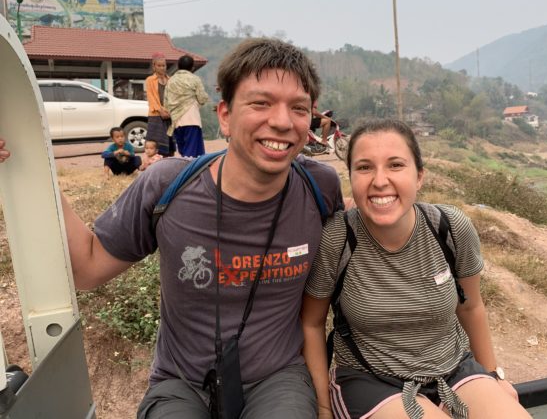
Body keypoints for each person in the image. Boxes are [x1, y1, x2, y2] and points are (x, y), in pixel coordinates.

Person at [0, 38, 343, 419]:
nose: (281, 121)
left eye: (297, 108)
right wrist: (30, 163)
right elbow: (88, 266)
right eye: (261, 103)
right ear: (225, 115)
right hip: (182, 382)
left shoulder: (320, 188)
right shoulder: (169, 186)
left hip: (277, 379)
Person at [301, 119, 530, 419]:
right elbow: (312, 323)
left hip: (453, 369)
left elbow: (471, 306)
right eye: (365, 167)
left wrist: (493, 376)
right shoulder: (338, 238)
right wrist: (322, 407)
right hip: (370, 380)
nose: (380, 180)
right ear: (351, 177)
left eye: (395, 165)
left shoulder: (449, 228)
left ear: (419, 176)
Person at [165, 54, 209, 157]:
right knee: (193, 154)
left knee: (183, 151)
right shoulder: (194, 79)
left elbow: (166, 102)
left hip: (176, 121)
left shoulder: (171, 80)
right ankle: (192, 172)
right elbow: (202, 98)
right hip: (191, 119)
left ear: (178, 66)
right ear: (192, 67)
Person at [145, 52, 176, 157]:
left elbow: (174, 97)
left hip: (169, 115)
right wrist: (160, 110)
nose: (162, 68)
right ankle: (154, 165)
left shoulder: (170, 80)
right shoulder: (150, 80)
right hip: (156, 115)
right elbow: (151, 98)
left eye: (164, 65)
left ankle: (169, 165)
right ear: (154, 66)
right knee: (155, 143)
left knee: (170, 142)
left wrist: (169, 111)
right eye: (159, 65)